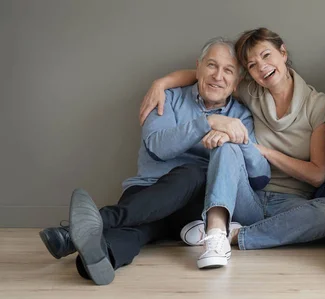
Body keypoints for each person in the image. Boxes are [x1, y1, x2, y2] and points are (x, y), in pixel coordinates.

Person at [39, 37, 268, 285]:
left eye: (228, 71)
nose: (218, 76)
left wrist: (240, 140)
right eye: (212, 65)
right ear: (198, 67)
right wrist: (207, 123)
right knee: (138, 230)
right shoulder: (167, 98)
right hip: (148, 192)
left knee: (194, 173)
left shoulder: (240, 115)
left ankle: (86, 227)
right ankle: (99, 258)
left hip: (191, 209)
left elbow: (260, 176)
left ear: (236, 83)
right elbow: (158, 146)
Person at [140, 28, 325, 267]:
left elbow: (318, 174)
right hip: (246, 194)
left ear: (283, 53)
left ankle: (236, 236)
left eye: (267, 56)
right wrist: (161, 83)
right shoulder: (251, 91)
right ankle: (215, 235)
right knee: (227, 143)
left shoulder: (317, 105)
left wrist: (264, 151)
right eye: (252, 65)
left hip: (290, 203)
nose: (262, 67)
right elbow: (211, 77)